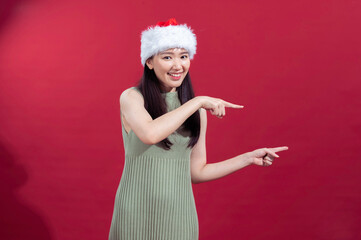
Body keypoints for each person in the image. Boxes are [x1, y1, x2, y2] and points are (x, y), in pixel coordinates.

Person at [108, 18, 289, 240]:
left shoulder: (197, 111)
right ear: (149, 61)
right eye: (167, 57)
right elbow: (150, 134)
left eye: (184, 56)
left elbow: (197, 172)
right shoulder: (132, 97)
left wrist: (248, 158)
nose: (178, 65)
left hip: (179, 215)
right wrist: (198, 101)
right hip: (135, 213)